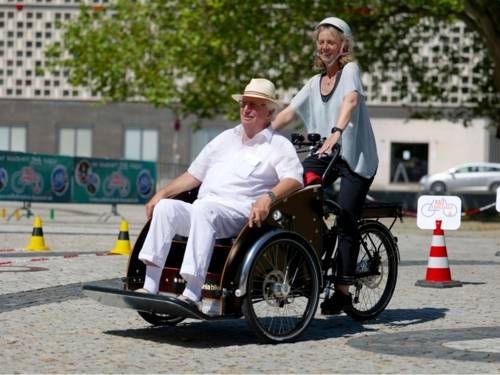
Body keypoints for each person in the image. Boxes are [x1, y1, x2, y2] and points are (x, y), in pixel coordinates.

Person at [136, 78, 304, 313]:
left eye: (254, 105)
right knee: (165, 207)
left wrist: (268, 196)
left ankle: (193, 292)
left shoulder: (278, 145)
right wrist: (161, 193)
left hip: (238, 214)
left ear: (270, 112)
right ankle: (149, 286)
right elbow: (193, 175)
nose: (246, 109)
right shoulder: (225, 138)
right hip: (204, 208)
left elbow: (295, 179)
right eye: (244, 103)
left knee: (205, 210)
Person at [272, 17, 378, 315]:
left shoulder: (350, 71)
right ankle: (309, 259)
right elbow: (290, 112)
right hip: (325, 153)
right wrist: (262, 133)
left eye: (331, 42)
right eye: (321, 43)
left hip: (355, 157)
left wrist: (337, 130)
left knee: (346, 218)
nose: (325, 47)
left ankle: (343, 291)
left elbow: (351, 101)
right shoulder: (313, 83)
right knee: (298, 193)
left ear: (343, 45)